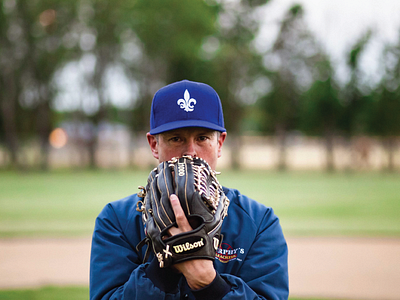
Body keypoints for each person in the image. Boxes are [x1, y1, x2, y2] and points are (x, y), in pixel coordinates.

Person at [90, 80, 289, 300]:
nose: (190, 152)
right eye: (176, 139)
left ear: (220, 143)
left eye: (202, 138)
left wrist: (208, 283)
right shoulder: (117, 220)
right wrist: (165, 265)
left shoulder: (258, 222)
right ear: (154, 145)